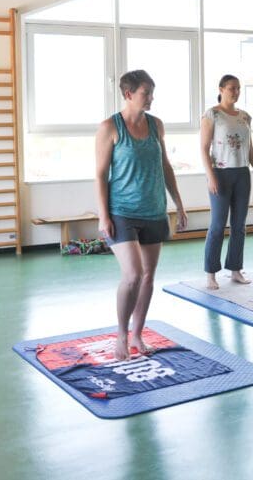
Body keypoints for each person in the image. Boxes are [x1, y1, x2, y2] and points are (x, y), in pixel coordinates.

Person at [95, 70, 187, 361]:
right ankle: (122, 335)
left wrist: (179, 203)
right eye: (146, 93)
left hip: (154, 209)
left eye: (152, 93)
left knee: (148, 277)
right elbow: (100, 175)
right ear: (128, 94)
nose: (151, 98)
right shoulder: (110, 127)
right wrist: (104, 216)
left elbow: (165, 165)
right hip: (122, 212)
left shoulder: (156, 125)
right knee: (133, 275)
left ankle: (137, 334)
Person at [200, 75, 253, 290]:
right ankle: (211, 273)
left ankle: (235, 269)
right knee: (218, 225)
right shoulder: (212, 114)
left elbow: (250, 149)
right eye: (232, 88)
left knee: (239, 225)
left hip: (242, 174)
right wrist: (211, 176)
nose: (236, 92)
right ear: (221, 89)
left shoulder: (245, 117)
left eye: (238, 88)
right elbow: (204, 148)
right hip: (220, 173)